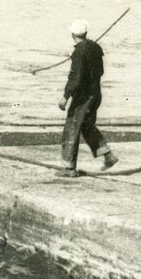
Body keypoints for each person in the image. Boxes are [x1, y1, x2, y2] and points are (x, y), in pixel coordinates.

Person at [57, 19, 118, 177]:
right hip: (96, 93)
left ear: (72, 35)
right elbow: (101, 71)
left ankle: (69, 169)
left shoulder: (79, 52)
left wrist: (65, 97)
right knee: (86, 126)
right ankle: (108, 156)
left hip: (83, 97)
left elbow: (75, 78)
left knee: (71, 127)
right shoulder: (95, 47)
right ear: (86, 33)